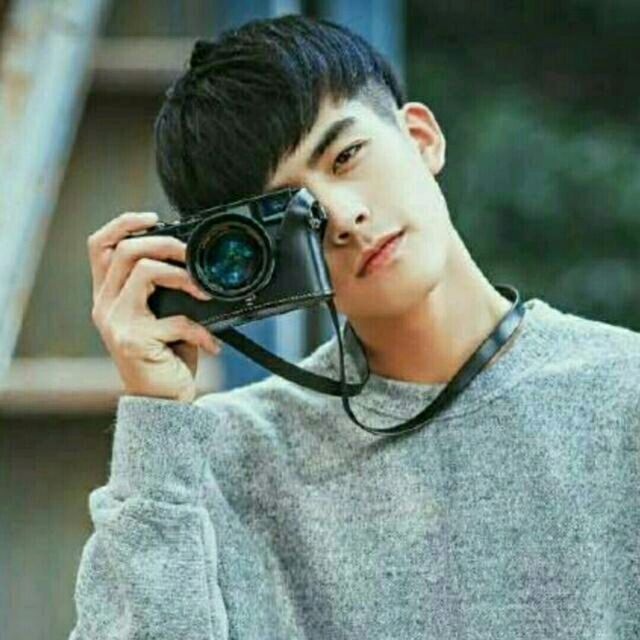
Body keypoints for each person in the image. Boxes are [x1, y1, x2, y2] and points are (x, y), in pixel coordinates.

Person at [70, 14, 640, 640]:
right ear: (258, 259)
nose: (342, 217)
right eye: (294, 214)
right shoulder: (225, 462)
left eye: (346, 157)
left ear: (421, 137)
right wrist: (155, 427)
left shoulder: (621, 393)